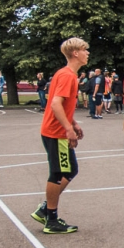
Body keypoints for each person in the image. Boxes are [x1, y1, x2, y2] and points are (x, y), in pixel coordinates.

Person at [32, 38, 90, 235]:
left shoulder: (66, 74)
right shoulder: (67, 76)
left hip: (56, 130)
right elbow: (56, 104)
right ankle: (51, 218)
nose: (87, 53)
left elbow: (61, 106)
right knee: (58, 174)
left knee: (70, 170)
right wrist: (68, 129)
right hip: (55, 132)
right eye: (84, 50)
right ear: (75, 53)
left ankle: (45, 209)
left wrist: (73, 123)